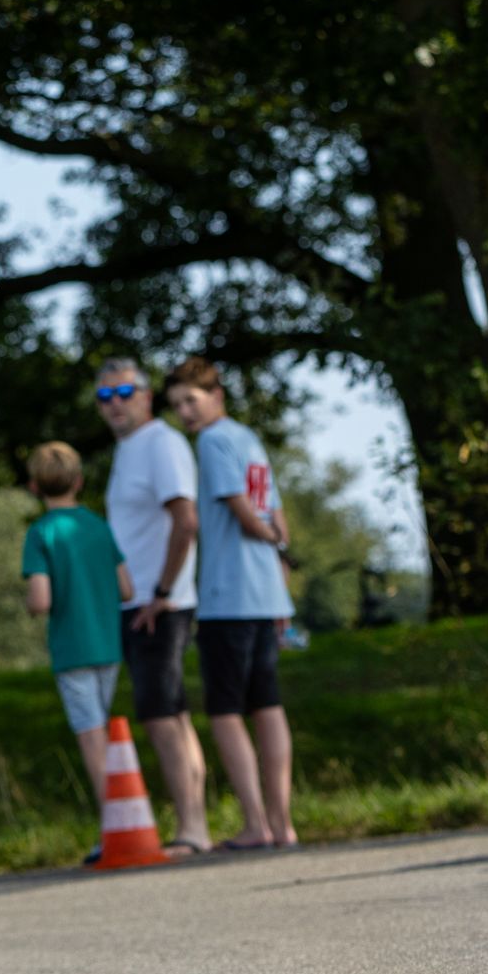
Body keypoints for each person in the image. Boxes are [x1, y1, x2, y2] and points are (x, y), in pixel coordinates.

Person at [164, 356, 297, 850]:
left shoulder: (215, 441)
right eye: (178, 406)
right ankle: (283, 824)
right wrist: (280, 555)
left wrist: (267, 539)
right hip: (266, 595)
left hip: (228, 596)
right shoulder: (250, 438)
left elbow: (246, 514)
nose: (186, 414)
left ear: (216, 394)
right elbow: (278, 516)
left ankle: (257, 823)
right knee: (268, 706)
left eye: (191, 401)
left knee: (226, 711)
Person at [96, 357, 212, 856]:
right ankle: (194, 825)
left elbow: (186, 521)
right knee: (173, 714)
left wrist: (163, 593)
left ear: (146, 395)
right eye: (105, 396)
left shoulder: (161, 443)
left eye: (124, 393)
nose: (115, 404)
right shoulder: (130, 449)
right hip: (140, 602)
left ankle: (192, 828)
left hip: (157, 604)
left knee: (162, 715)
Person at [21, 443, 133, 851]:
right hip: (108, 643)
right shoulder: (99, 526)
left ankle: (115, 828)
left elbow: (41, 600)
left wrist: (30, 604)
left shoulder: (41, 532)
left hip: (72, 650)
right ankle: (126, 818)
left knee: (91, 738)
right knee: (103, 727)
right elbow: (126, 587)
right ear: (79, 481)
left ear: (35, 487)